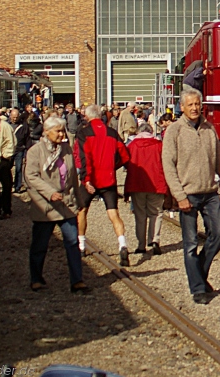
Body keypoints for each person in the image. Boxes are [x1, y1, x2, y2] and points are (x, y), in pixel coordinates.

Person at [162, 86, 220, 304]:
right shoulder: (174, 132)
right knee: (189, 244)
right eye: (191, 105)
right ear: (182, 107)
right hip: (187, 194)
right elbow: (168, 166)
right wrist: (179, 196)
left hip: (210, 193)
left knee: (219, 235)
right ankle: (198, 289)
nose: (195, 108)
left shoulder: (208, 130)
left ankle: (199, 272)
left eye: (197, 104)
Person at [24, 115, 89, 294]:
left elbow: (73, 177)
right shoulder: (35, 151)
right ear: (46, 132)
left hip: (66, 204)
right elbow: (31, 176)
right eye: (58, 131)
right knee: (40, 244)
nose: (62, 134)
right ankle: (36, 278)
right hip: (45, 206)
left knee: (72, 242)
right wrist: (49, 192)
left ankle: (77, 280)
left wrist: (79, 200)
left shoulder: (66, 149)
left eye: (63, 130)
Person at [74, 103, 132, 266]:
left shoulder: (84, 133)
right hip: (109, 179)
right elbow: (125, 156)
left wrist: (86, 179)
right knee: (114, 214)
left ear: (87, 116)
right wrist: (113, 167)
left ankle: (81, 245)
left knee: (82, 211)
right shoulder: (112, 133)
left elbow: (84, 158)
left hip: (91, 179)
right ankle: (122, 244)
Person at [124, 122, 167, 255]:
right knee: (156, 212)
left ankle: (141, 244)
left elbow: (126, 164)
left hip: (137, 184)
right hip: (156, 183)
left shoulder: (132, 146)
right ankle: (155, 240)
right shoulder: (159, 145)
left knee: (140, 214)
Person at [10, 109, 30, 194]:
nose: (15, 119)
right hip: (9, 149)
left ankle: (17, 186)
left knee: (18, 168)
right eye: (13, 117)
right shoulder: (7, 125)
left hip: (20, 149)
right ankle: (9, 184)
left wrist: (27, 151)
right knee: (7, 168)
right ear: (10, 116)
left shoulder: (23, 125)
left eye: (16, 117)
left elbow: (27, 138)